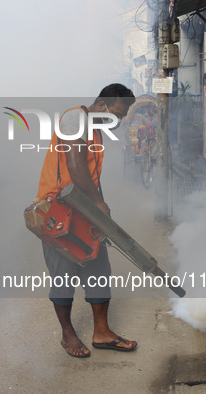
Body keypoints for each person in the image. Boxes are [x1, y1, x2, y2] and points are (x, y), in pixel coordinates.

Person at [36, 83, 137, 357]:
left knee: (99, 270)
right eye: (119, 113)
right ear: (103, 105)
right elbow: (75, 166)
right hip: (58, 211)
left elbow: (90, 176)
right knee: (63, 275)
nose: (120, 120)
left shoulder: (95, 131)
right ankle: (67, 335)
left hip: (82, 211)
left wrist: (99, 209)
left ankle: (102, 333)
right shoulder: (75, 119)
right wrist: (99, 204)